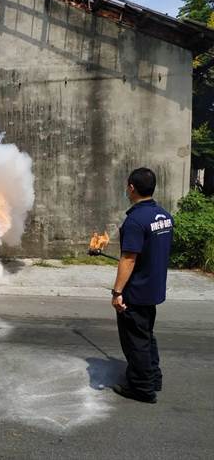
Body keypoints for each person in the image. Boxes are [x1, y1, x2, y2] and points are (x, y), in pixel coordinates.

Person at [110, 167, 174, 403]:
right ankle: (153, 377)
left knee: (135, 340)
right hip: (154, 287)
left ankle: (141, 388)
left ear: (131, 188)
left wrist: (117, 292)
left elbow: (129, 258)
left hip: (136, 291)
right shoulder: (165, 216)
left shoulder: (135, 221)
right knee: (146, 335)